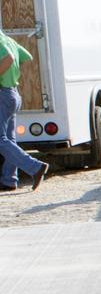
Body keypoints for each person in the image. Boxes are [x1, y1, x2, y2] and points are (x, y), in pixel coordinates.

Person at [0, 28, 49, 192]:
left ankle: (35, 167)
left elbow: (9, 58)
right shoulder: (8, 40)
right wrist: (12, 73)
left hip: (2, 94)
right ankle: (9, 180)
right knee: (8, 139)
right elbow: (26, 56)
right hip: (13, 93)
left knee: (1, 140)